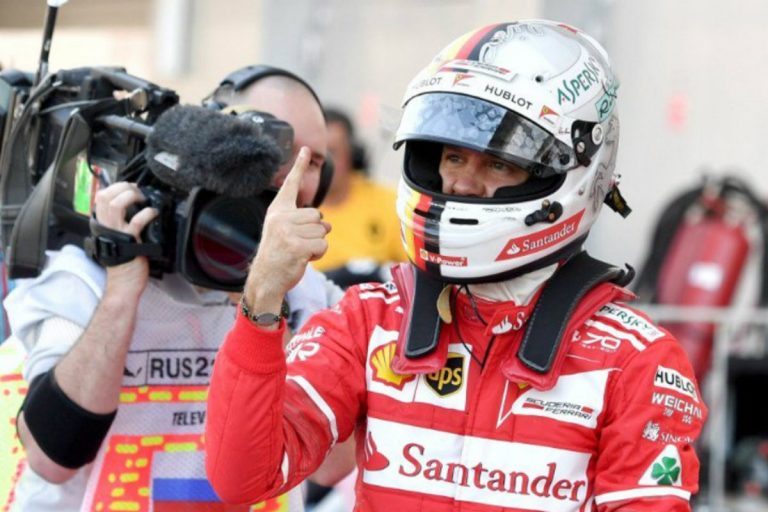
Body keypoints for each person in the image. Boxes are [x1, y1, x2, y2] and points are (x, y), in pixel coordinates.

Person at [205, 20, 707, 511]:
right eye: (452, 158)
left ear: (573, 174)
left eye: (499, 163)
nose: (463, 184)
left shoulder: (634, 360)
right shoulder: (371, 320)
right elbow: (242, 477)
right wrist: (262, 296)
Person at [7, 66, 342, 512]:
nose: (291, 175)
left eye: (313, 162)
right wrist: (122, 289)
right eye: (271, 149)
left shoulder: (308, 295)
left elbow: (331, 465)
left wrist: (261, 297)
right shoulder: (87, 274)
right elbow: (52, 456)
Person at [314, 108, 406, 287]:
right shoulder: (293, 208)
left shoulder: (390, 203)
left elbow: (413, 273)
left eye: (332, 153)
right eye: (316, 155)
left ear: (352, 155)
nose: (323, 164)